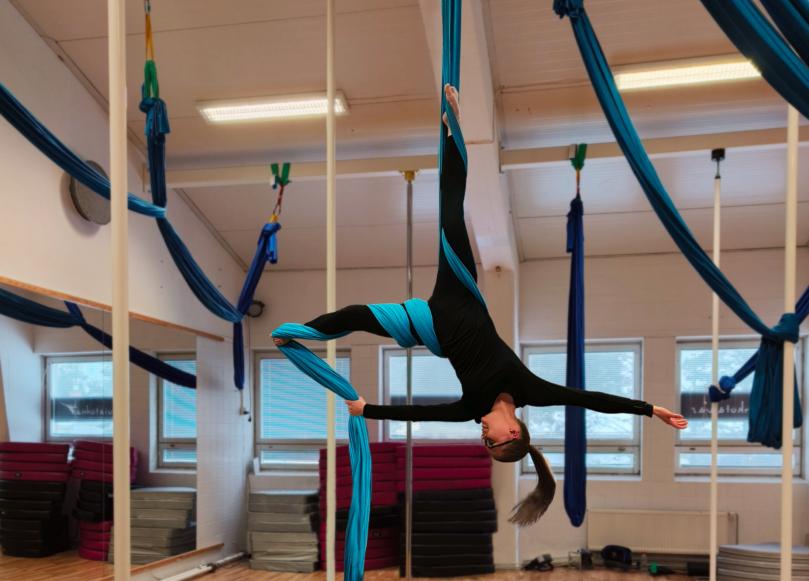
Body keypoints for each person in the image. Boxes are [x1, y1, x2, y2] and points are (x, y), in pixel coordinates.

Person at [276, 85, 687, 526]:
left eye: (484, 443)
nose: (482, 436)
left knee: (357, 315)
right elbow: (590, 399)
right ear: (512, 432)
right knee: (451, 216)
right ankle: (455, 132)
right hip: (460, 293)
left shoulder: (472, 406)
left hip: (431, 327)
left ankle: (296, 332)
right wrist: (650, 409)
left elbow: (421, 414)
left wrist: (369, 411)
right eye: (491, 442)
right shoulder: (531, 390)